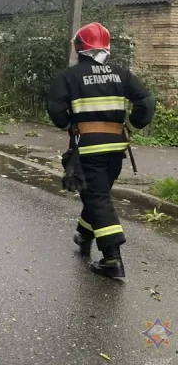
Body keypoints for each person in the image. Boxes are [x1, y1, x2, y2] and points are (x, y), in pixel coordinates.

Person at [47, 22, 155, 279]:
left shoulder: (69, 77)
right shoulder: (122, 74)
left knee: (97, 198)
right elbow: (147, 103)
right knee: (97, 194)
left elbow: (56, 111)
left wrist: (67, 124)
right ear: (106, 47)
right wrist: (130, 126)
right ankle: (83, 235)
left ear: (79, 47)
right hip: (116, 150)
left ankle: (111, 258)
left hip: (88, 148)